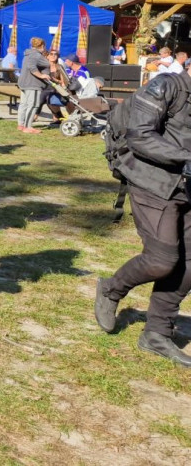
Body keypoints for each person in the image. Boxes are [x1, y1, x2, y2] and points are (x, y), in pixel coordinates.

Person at [95, 65, 191, 367]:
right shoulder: (167, 85)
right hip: (151, 181)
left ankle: (157, 333)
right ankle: (111, 288)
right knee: (161, 260)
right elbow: (141, 137)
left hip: (186, 186)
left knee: (190, 261)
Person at [17, 38, 51, 134]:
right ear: (42, 46)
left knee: (24, 104)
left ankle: (21, 124)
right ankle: (27, 127)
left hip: (24, 83)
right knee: (33, 105)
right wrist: (42, 75)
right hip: (32, 84)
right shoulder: (36, 55)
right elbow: (32, 67)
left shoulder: (28, 54)